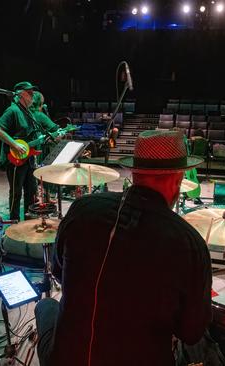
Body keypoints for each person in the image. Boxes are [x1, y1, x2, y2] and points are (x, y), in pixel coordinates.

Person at [34, 130, 212, 365]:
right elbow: (191, 333)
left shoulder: (82, 209)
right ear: (177, 180)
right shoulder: (189, 243)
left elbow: (58, 272)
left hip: (66, 358)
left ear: (133, 173)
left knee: (45, 304)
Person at [0, 82, 58, 221]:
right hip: (15, 159)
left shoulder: (28, 112)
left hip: (28, 158)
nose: (33, 96)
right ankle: (13, 223)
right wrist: (14, 143)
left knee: (31, 193)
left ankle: (28, 224)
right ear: (21, 94)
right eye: (30, 93)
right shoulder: (13, 110)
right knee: (16, 194)